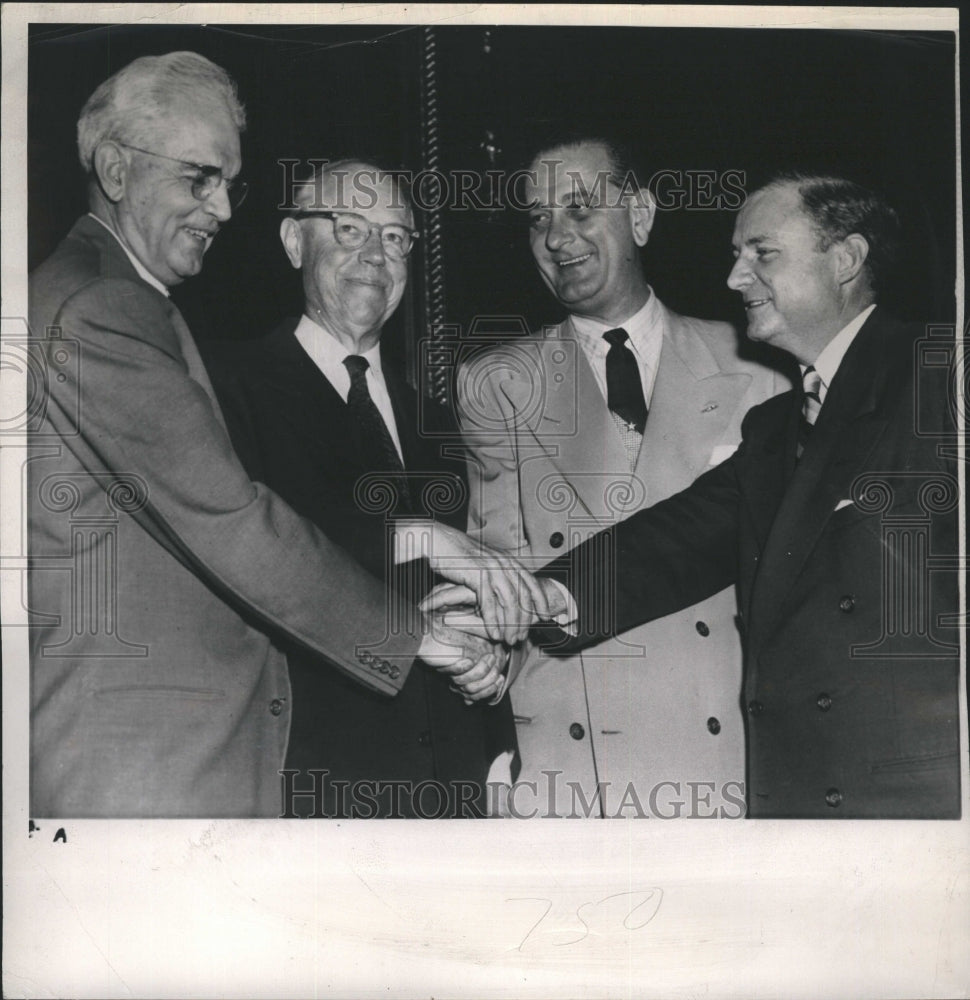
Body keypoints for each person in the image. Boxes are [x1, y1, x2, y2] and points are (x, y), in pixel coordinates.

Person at [27, 52, 533, 818]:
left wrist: (486, 655)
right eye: (199, 178)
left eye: (397, 237)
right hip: (160, 762)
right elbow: (237, 526)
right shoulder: (108, 309)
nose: (223, 210)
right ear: (116, 169)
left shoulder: (436, 408)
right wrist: (419, 620)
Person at [433, 172, 960, 819]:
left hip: (916, 800)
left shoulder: (941, 377)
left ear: (846, 260)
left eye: (762, 254)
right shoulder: (779, 428)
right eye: (737, 256)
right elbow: (675, 540)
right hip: (805, 795)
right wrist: (540, 595)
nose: (737, 278)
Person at [457, 138, 789, 816]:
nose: (556, 237)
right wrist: (476, 665)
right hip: (570, 774)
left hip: (722, 761)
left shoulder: (759, 367)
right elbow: (498, 573)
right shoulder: (497, 382)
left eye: (580, 209)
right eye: (538, 218)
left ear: (639, 215)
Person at [203, 161, 518, 817]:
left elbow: (460, 584)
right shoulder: (227, 388)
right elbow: (256, 560)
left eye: (397, 237)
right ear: (294, 242)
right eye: (349, 229)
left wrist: (493, 710)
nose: (375, 256)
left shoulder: (434, 418)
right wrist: (418, 537)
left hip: (452, 789)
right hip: (314, 783)